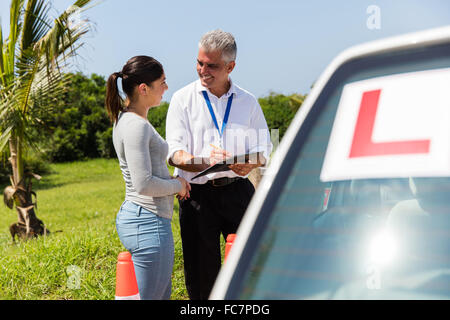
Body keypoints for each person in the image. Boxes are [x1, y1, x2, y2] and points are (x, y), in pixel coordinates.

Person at [166, 30, 273, 300]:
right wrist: (203, 162)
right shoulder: (182, 99)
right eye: (200, 62)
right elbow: (175, 154)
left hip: (238, 192)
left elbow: (264, 149)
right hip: (197, 198)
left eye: (211, 65)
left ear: (230, 66)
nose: (203, 70)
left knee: (251, 265)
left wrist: (250, 162)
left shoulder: (248, 102)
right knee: (202, 276)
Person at [105, 55, 191, 300]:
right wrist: (178, 185)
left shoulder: (128, 120)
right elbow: (143, 183)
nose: (166, 88)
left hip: (145, 220)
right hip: (148, 222)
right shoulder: (136, 125)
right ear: (144, 89)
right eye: (162, 82)